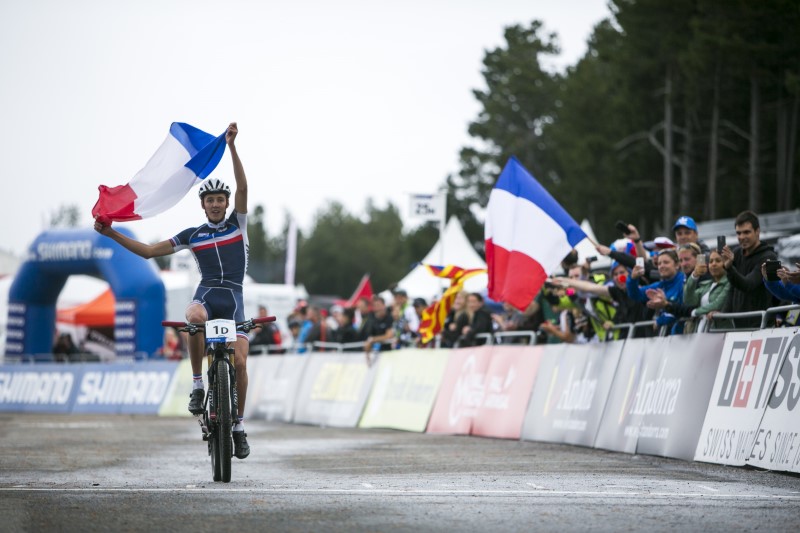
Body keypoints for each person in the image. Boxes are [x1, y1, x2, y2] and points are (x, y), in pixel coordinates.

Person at [94, 122, 253, 459]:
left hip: (235, 300)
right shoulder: (192, 234)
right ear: (202, 204)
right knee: (193, 315)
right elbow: (151, 252)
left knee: (239, 363)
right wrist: (112, 235)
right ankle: (198, 384)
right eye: (209, 199)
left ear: (226, 204)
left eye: (219, 199)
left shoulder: (238, 224)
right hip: (208, 295)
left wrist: (233, 147)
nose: (215, 204)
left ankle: (237, 425)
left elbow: (243, 187)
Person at [720, 210, 779, 327]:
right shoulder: (736, 253)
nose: (742, 237)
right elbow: (733, 289)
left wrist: (729, 268)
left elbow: (748, 285)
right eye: (738, 233)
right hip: (739, 326)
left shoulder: (770, 257)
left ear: (757, 231)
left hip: (762, 326)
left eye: (746, 232)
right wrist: (721, 315)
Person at [627, 249, 685, 335]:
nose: (661, 266)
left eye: (666, 262)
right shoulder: (660, 285)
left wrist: (660, 320)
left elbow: (682, 309)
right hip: (668, 337)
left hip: (684, 336)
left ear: (677, 265)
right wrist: (633, 279)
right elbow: (636, 295)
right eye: (659, 263)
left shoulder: (684, 282)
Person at [682, 250, 731, 332]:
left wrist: (695, 312)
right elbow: (688, 300)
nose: (714, 264)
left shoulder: (729, 282)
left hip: (720, 332)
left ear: (726, 263)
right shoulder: (706, 285)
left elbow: (717, 304)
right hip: (701, 330)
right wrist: (694, 276)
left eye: (718, 261)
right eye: (711, 261)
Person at [362, 295, 395, 365]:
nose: (377, 308)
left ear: (384, 305)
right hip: (376, 353)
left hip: (389, 353)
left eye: (378, 305)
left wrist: (374, 339)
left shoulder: (389, 318)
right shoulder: (371, 319)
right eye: (374, 306)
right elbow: (367, 338)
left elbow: (389, 335)